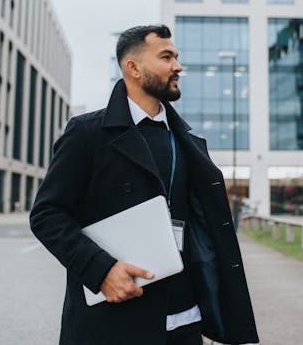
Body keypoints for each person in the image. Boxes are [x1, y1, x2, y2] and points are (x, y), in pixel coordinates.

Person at [30, 25, 259, 345]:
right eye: (166, 57)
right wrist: (101, 271)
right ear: (133, 68)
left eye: (177, 57)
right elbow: (47, 215)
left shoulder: (189, 142)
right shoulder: (87, 134)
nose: (178, 66)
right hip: (113, 321)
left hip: (186, 320)